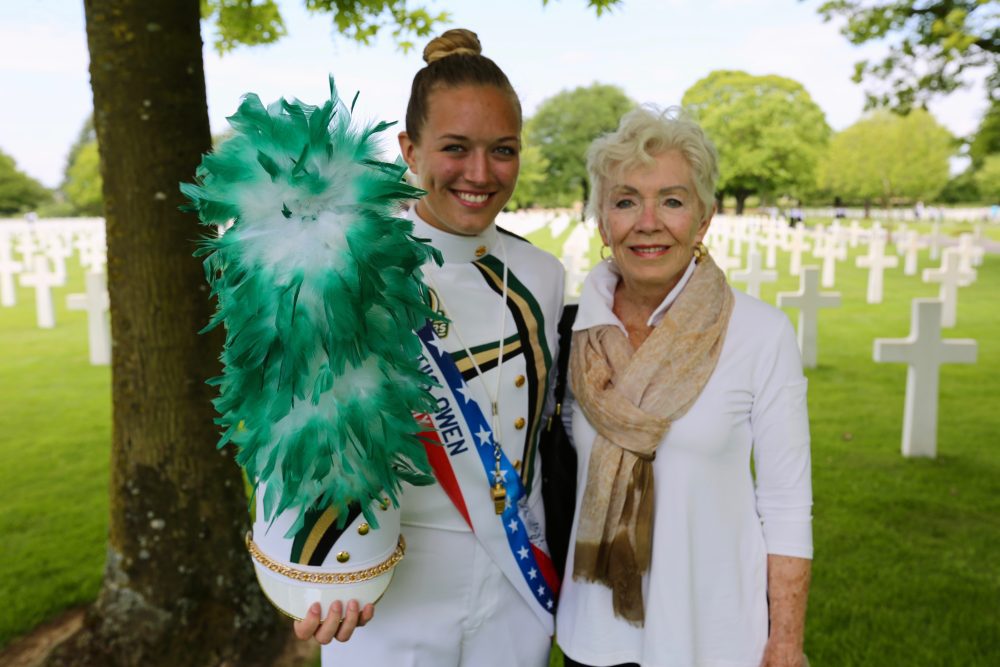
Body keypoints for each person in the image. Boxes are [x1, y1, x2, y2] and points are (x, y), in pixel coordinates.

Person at [294, 28, 565, 667]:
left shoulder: (543, 276)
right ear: (409, 149)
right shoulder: (348, 271)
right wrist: (318, 569)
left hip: (512, 582)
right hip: (391, 588)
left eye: (503, 150)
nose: (481, 174)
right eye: (455, 148)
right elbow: (294, 432)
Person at [555, 106, 813, 667]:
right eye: (625, 201)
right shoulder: (573, 334)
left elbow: (786, 502)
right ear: (602, 221)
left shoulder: (759, 333)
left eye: (671, 200)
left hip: (715, 635)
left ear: (703, 219)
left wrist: (786, 641)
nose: (648, 222)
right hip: (593, 635)